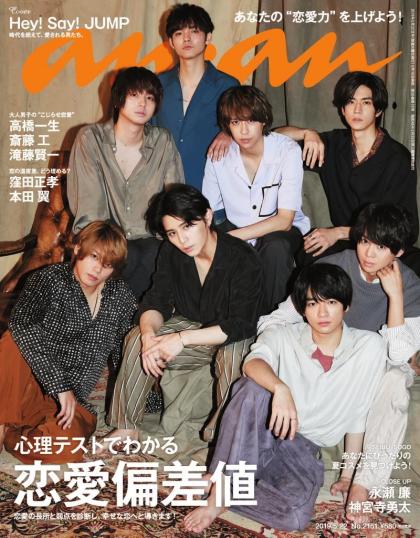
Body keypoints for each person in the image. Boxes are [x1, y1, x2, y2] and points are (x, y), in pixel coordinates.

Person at [184, 263, 387, 532]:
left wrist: (348, 474)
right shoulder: (283, 334)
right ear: (302, 309)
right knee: (251, 389)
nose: (322, 312)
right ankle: (218, 496)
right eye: (313, 303)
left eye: (331, 302)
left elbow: (359, 413)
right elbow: (252, 363)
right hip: (265, 431)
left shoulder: (369, 347)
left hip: (302, 450)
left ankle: (224, 486)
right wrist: (280, 388)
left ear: (346, 306)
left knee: (294, 517)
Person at [258, 203, 420, 522]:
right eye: (364, 241)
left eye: (381, 247)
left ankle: (363, 485)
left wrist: (396, 297)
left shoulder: (410, 284)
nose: (369, 253)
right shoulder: (334, 267)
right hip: (329, 357)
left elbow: (399, 356)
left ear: (399, 252)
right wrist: (288, 343)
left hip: (374, 365)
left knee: (396, 380)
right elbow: (277, 319)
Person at [105, 184, 263, 461]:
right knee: (137, 338)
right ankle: (126, 426)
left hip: (233, 335)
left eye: (188, 226)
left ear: (208, 217)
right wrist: (148, 334)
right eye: (172, 233)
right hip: (193, 329)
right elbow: (156, 300)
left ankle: (224, 439)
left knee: (233, 356)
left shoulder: (242, 257)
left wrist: (181, 339)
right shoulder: (172, 252)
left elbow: (240, 324)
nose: (182, 239)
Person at [0, 221, 137, 464]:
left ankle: (12, 435)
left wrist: (142, 402)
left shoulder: (120, 295)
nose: (97, 269)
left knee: (68, 447)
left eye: (107, 264)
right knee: (13, 341)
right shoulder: (48, 279)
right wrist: (59, 386)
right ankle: (2, 424)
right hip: (26, 386)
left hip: (71, 403)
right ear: (77, 248)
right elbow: (22, 323)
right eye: (94, 257)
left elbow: (124, 351)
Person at [277, 71, 418, 268]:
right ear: (343, 109)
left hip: (384, 245)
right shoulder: (333, 145)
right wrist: (307, 133)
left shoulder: (398, 158)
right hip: (348, 244)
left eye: (366, 102)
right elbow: (274, 139)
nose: (357, 110)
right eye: (351, 102)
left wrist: (338, 232)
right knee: (310, 251)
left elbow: (408, 229)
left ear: (378, 110)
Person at [67, 66, 185, 299]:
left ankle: (134, 319)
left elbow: (174, 199)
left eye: (150, 98)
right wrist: (109, 244)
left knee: (154, 255)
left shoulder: (162, 141)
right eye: (134, 95)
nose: (142, 103)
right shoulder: (91, 139)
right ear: (118, 98)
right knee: (127, 255)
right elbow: (91, 207)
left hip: (151, 238)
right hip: (105, 235)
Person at [203, 86, 309, 310]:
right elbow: (208, 210)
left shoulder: (287, 151)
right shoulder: (218, 156)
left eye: (250, 121)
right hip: (237, 225)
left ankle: (273, 320)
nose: (243, 131)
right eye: (235, 122)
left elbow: (285, 220)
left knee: (275, 247)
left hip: (282, 230)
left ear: (263, 120)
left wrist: (229, 238)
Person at [153, 3, 239, 189]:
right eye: (178, 33)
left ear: (208, 37)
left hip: (210, 188)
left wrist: (229, 134)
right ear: (171, 42)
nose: (186, 38)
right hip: (163, 189)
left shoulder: (227, 85)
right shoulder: (158, 84)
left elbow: (247, 129)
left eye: (194, 31)